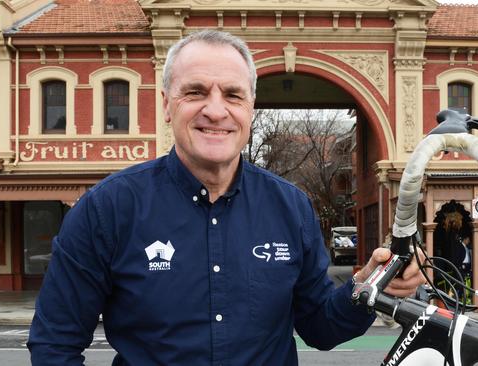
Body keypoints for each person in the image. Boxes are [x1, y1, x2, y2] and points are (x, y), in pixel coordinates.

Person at [27, 30, 426, 365]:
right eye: (195, 92)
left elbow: (320, 327)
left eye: (233, 95)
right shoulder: (107, 208)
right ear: (167, 105)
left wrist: (370, 287)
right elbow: (55, 344)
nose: (215, 110)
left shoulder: (291, 207)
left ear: (251, 108)